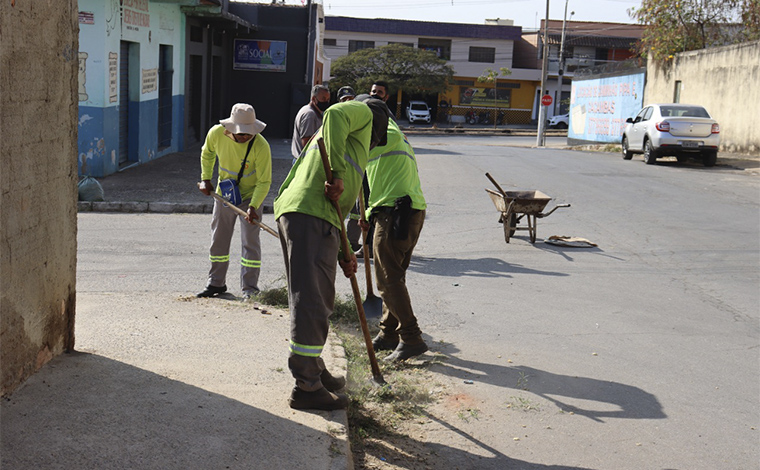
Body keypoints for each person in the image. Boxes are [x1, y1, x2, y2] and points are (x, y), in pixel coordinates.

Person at [274, 97, 390, 411]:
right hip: (310, 213)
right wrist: (338, 174)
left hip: (310, 214)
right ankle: (307, 386)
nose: (374, 144)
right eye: (377, 139)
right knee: (313, 300)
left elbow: (337, 208)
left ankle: (314, 368)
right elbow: (337, 111)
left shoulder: (347, 143)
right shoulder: (364, 114)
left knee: (312, 296)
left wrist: (344, 253)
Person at [364, 117, 428, 362]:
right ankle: (388, 333)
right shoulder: (396, 134)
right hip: (408, 211)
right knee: (394, 277)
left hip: (396, 213)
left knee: (388, 280)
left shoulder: (382, 135)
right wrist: (369, 212)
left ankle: (411, 337)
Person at [197, 103, 272, 300]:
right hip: (225, 195)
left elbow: (264, 181)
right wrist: (206, 179)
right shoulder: (216, 134)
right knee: (219, 240)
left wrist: (254, 206)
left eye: (249, 134)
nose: (245, 137)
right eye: (241, 134)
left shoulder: (261, 146)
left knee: (250, 243)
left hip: (250, 198)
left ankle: (250, 288)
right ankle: (216, 283)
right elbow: (207, 153)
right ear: (230, 129)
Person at [291, 84, 330, 163]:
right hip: (304, 162)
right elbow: (307, 142)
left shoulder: (311, 111)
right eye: (323, 99)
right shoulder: (310, 115)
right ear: (313, 99)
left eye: (328, 99)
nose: (326, 102)